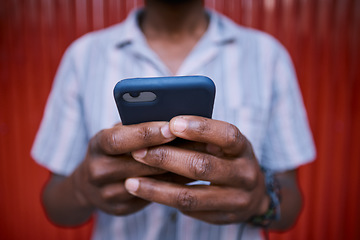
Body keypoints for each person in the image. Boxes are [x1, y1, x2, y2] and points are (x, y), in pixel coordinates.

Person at [32, 0, 316, 239]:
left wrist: (260, 199)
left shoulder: (267, 56)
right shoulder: (83, 57)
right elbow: (55, 204)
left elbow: (290, 204)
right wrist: (83, 188)